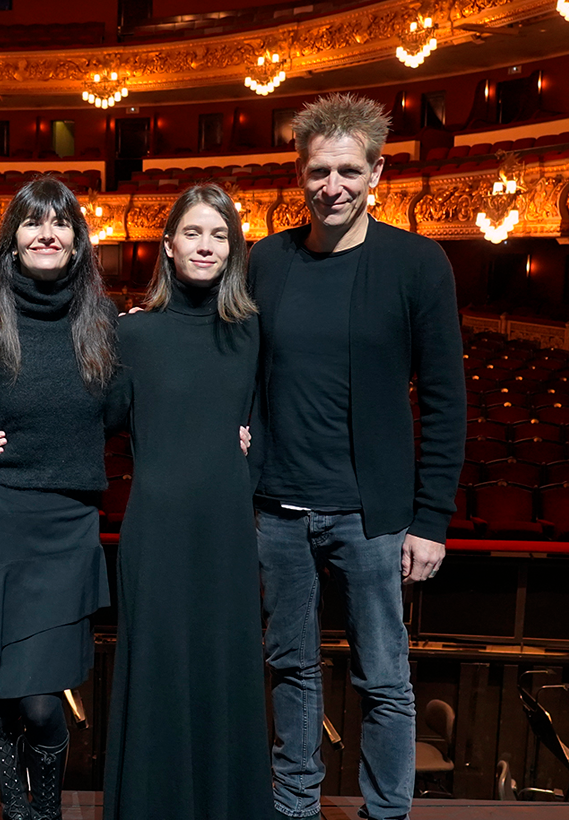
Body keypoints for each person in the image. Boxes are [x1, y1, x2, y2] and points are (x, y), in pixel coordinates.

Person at [250, 93, 465, 820]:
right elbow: (231, 362)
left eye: (347, 170)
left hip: (374, 517)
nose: (331, 185)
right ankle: (296, 808)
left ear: (376, 172)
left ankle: (386, 814)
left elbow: (444, 400)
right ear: (299, 177)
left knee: (384, 678)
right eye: (318, 171)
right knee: (290, 671)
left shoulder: (417, 263)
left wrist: (431, 520)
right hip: (278, 509)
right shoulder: (267, 262)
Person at [0, 177, 117, 820]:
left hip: (67, 528)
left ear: (77, 241)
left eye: (60, 224)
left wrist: (231, 423)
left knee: (40, 699)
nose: (46, 234)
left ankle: (48, 812)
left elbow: (131, 413)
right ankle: (20, 811)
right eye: (32, 224)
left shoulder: (105, 320)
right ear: (12, 241)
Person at [98, 184, 271, 820]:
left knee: (225, 665)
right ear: (168, 246)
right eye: (193, 233)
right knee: (159, 666)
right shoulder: (133, 333)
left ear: (234, 248)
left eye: (218, 234)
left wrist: (248, 456)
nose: (206, 245)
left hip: (227, 526)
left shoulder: (250, 329)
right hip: (158, 527)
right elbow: (99, 418)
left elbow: (268, 417)